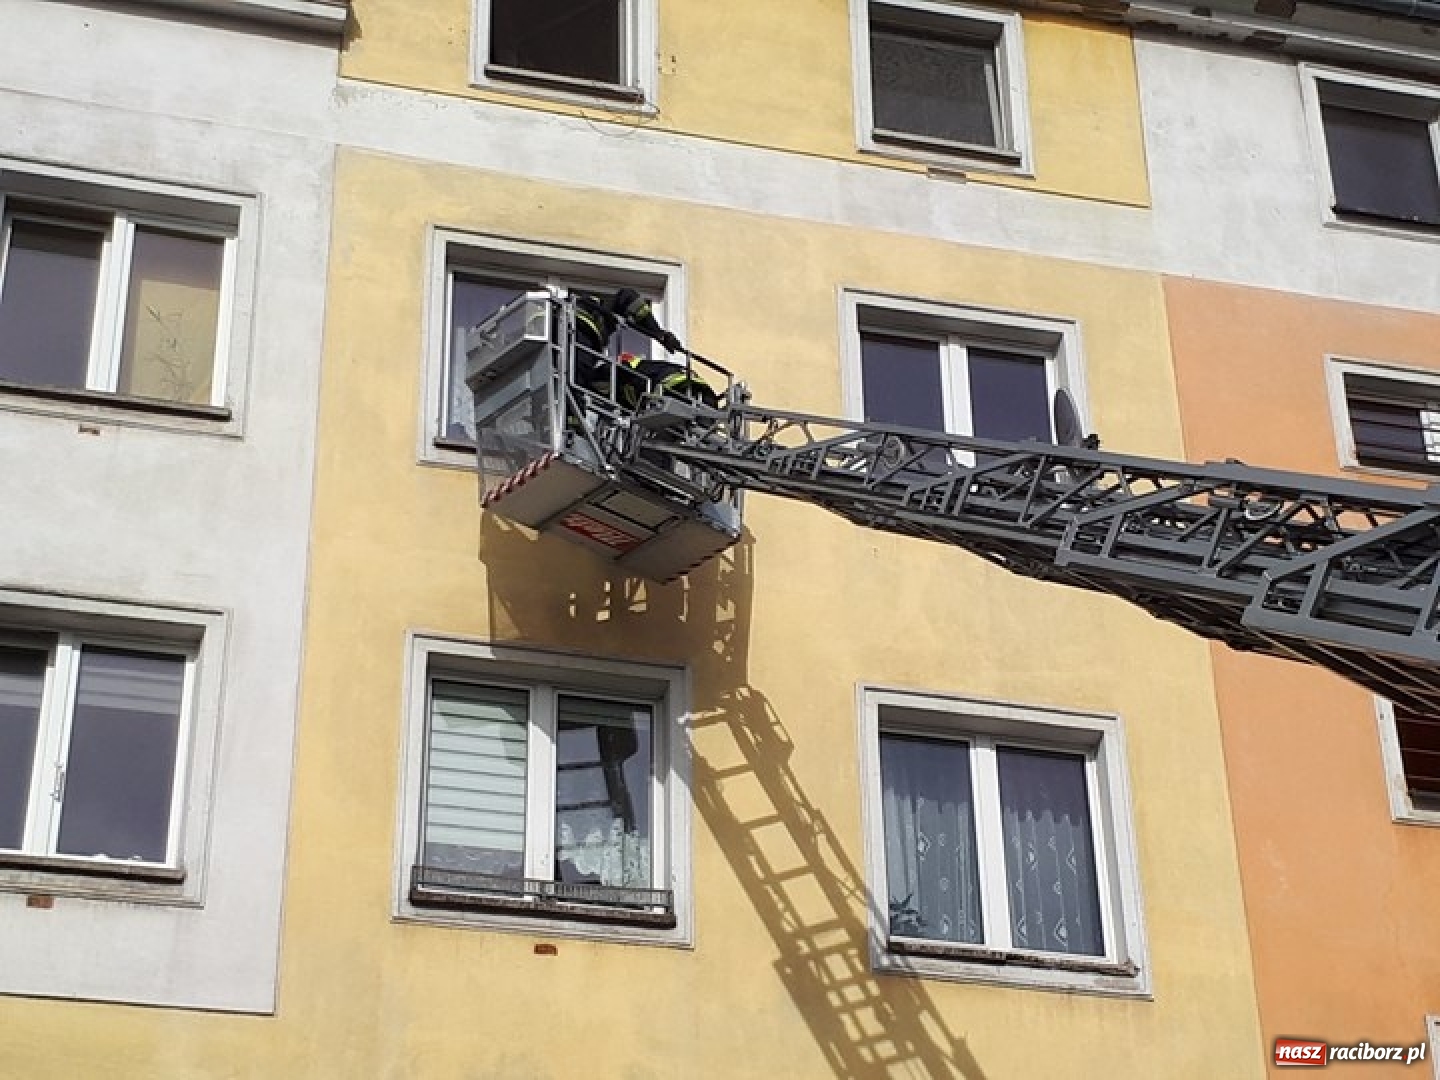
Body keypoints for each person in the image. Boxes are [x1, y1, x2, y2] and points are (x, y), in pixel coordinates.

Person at [573, 289, 717, 409]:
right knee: (577, 377)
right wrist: (659, 333)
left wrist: (658, 333)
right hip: (697, 394)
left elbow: (628, 298)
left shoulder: (597, 312)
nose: (608, 337)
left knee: (577, 377)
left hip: (682, 391)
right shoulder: (585, 321)